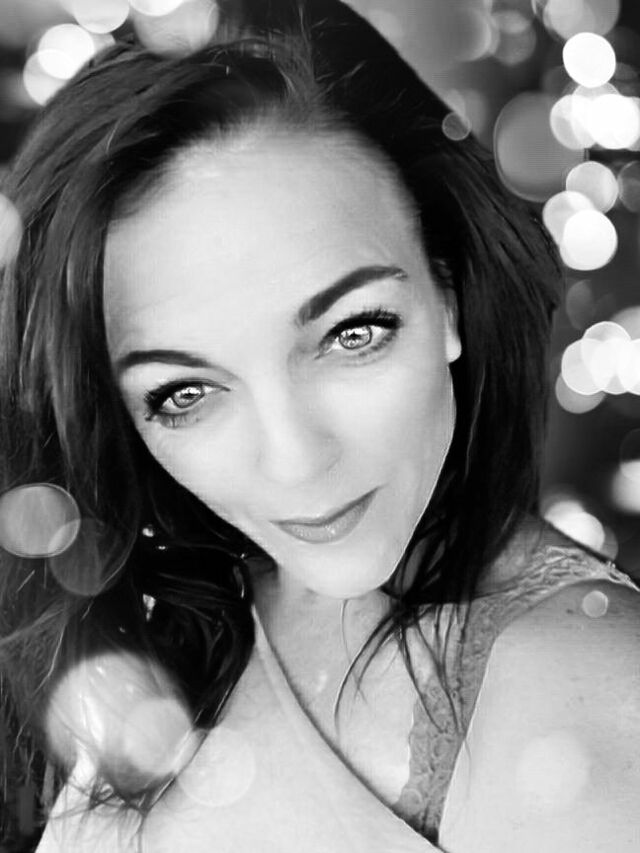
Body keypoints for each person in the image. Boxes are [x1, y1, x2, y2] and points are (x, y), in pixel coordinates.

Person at [0, 1, 639, 850]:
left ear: (447, 292)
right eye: (185, 392)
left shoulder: (580, 693)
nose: (297, 462)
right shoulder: (178, 598)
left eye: (352, 333)